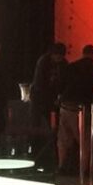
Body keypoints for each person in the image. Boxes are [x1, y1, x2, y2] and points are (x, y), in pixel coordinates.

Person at [57, 43, 93, 174]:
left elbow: (60, 85)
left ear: (83, 53)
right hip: (79, 109)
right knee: (85, 141)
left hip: (64, 106)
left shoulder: (71, 66)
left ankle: (61, 167)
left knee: (63, 140)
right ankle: (84, 171)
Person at [28, 41, 67, 171]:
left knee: (54, 131)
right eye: (57, 56)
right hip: (39, 100)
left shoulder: (63, 64)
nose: (59, 59)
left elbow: (63, 82)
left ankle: (50, 158)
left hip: (52, 101)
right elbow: (40, 83)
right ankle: (35, 157)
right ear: (52, 54)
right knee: (37, 128)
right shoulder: (43, 62)